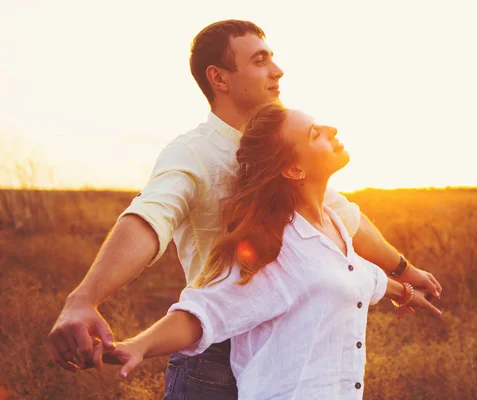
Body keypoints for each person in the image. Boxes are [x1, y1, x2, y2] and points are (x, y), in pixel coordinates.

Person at [47, 20, 442, 399]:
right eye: (259, 61)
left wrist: (404, 273)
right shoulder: (193, 152)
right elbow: (149, 220)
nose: (278, 70)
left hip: (283, 352)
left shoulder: (289, 151)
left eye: (271, 57)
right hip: (213, 357)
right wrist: (85, 299)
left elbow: (346, 226)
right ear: (218, 78)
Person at [100, 102, 442, 399]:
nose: (331, 128)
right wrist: (139, 346)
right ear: (294, 169)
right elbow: (204, 312)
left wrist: (405, 290)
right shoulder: (273, 246)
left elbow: (356, 276)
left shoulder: (333, 224)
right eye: (314, 134)